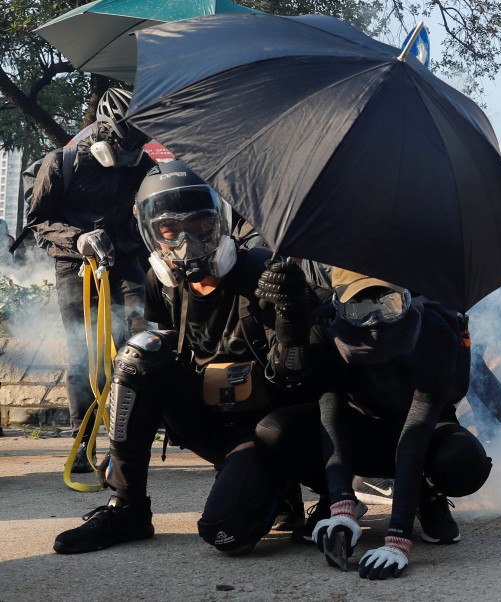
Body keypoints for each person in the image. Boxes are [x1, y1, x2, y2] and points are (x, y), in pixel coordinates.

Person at [53, 161, 315, 555]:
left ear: (220, 225)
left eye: (200, 225)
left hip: (263, 427)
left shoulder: (265, 274)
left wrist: (293, 312)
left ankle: (277, 485)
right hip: (205, 420)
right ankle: (128, 508)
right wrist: (120, 449)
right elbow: (153, 374)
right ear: (152, 235)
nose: (187, 243)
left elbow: (296, 378)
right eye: (170, 230)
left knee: (225, 532)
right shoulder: (160, 282)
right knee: (139, 351)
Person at [258, 267, 493, 579]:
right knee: (274, 431)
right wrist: (341, 504)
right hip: (362, 432)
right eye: (359, 308)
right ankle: (340, 502)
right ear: (339, 306)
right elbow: (332, 416)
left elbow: (415, 433)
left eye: (388, 305)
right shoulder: (325, 325)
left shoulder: (436, 326)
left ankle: (429, 493)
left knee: (463, 460)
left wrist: (398, 538)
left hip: (424, 432)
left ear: (407, 297)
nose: (375, 322)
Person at [27, 88, 156, 473]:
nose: (129, 153)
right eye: (123, 143)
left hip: (126, 259)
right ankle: (82, 443)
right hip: (75, 265)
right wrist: (79, 238)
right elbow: (38, 222)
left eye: (137, 144)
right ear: (103, 131)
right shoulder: (61, 162)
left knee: (140, 345)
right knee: (84, 354)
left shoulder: (141, 163)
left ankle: (128, 442)